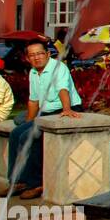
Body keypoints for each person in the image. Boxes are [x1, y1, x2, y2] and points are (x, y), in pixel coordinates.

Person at [8, 40, 81, 200]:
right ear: (27, 58)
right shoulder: (34, 72)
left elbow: (63, 89)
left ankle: (36, 183)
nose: (37, 58)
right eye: (32, 55)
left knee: (29, 136)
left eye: (40, 53)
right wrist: (29, 121)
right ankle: (18, 181)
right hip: (46, 113)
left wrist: (67, 109)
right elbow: (33, 101)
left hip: (64, 108)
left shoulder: (57, 67)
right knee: (15, 134)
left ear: (48, 54)